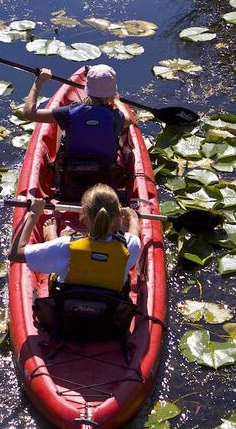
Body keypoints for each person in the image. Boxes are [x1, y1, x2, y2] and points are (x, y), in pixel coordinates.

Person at [9, 184, 142, 341]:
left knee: (58, 254)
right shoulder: (130, 246)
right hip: (108, 324)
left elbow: (16, 253)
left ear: (83, 214)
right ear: (118, 217)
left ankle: (50, 236)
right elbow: (135, 234)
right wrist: (133, 218)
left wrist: (33, 214)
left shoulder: (65, 246)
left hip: (65, 321)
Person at [22, 65, 133, 195]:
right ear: (112, 92)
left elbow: (29, 113)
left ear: (87, 89)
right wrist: (116, 100)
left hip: (71, 180)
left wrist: (39, 82)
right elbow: (128, 119)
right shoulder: (116, 117)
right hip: (102, 183)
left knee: (64, 136)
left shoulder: (69, 113)